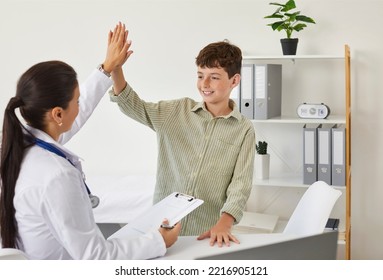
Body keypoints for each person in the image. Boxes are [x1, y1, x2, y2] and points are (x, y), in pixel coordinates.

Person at [0, 23, 180, 260]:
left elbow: (76, 114)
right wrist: (158, 241)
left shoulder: (19, 147)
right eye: (76, 101)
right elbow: (95, 258)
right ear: (57, 114)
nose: (79, 105)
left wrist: (106, 70)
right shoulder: (56, 176)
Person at [109, 25, 256, 247]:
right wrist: (115, 69)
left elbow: (241, 184)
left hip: (207, 233)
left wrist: (225, 222)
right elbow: (133, 106)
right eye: (200, 75)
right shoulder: (176, 112)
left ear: (234, 81)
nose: (204, 84)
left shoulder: (243, 129)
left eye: (214, 77)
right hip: (162, 229)